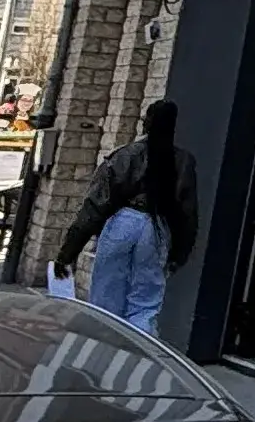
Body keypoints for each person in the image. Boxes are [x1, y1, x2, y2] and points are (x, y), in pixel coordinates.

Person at [54, 97, 201, 331]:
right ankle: (139, 350)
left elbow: (94, 206)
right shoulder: (184, 161)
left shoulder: (124, 156)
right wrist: (179, 254)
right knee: (145, 303)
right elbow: (188, 213)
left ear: (145, 123)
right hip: (158, 227)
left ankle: (104, 345)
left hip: (123, 221)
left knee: (106, 295)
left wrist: (68, 251)